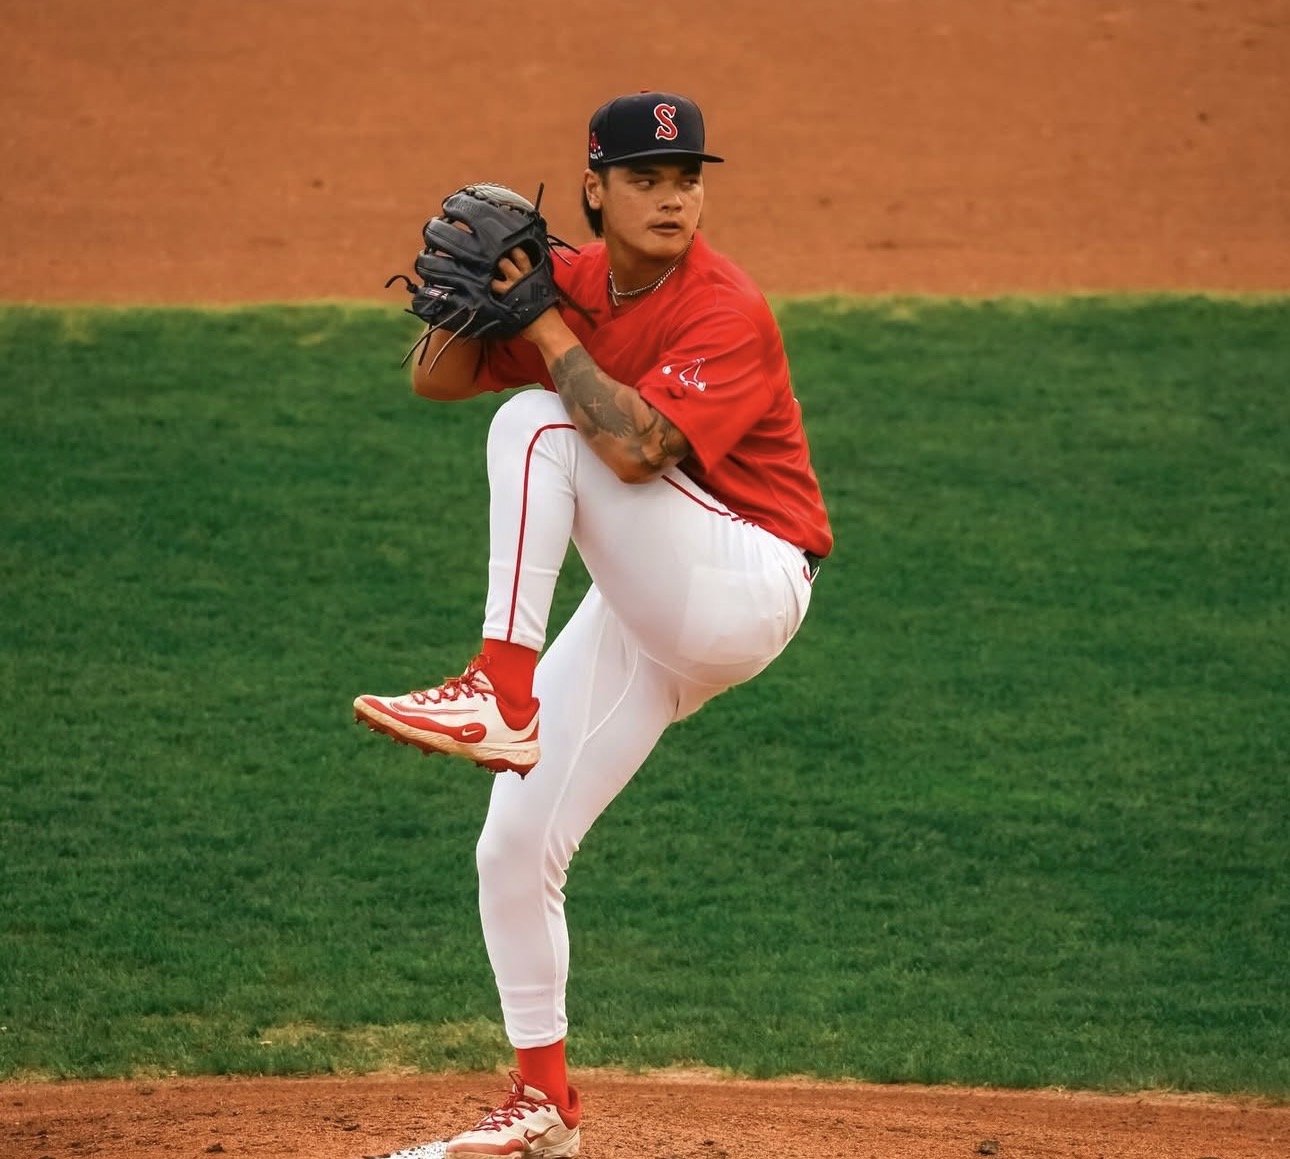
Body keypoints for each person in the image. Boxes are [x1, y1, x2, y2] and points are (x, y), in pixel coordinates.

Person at [354, 90, 832, 1159]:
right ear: (594, 189)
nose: (674, 198)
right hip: (650, 602)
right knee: (514, 845)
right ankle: (544, 1106)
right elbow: (434, 381)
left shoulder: (726, 306)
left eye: (688, 179)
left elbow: (632, 451)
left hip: (747, 581)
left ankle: (498, 690)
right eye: (648, 179)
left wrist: (540, 327)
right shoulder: (563, 282)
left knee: (542, 424)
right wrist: (467, 300)